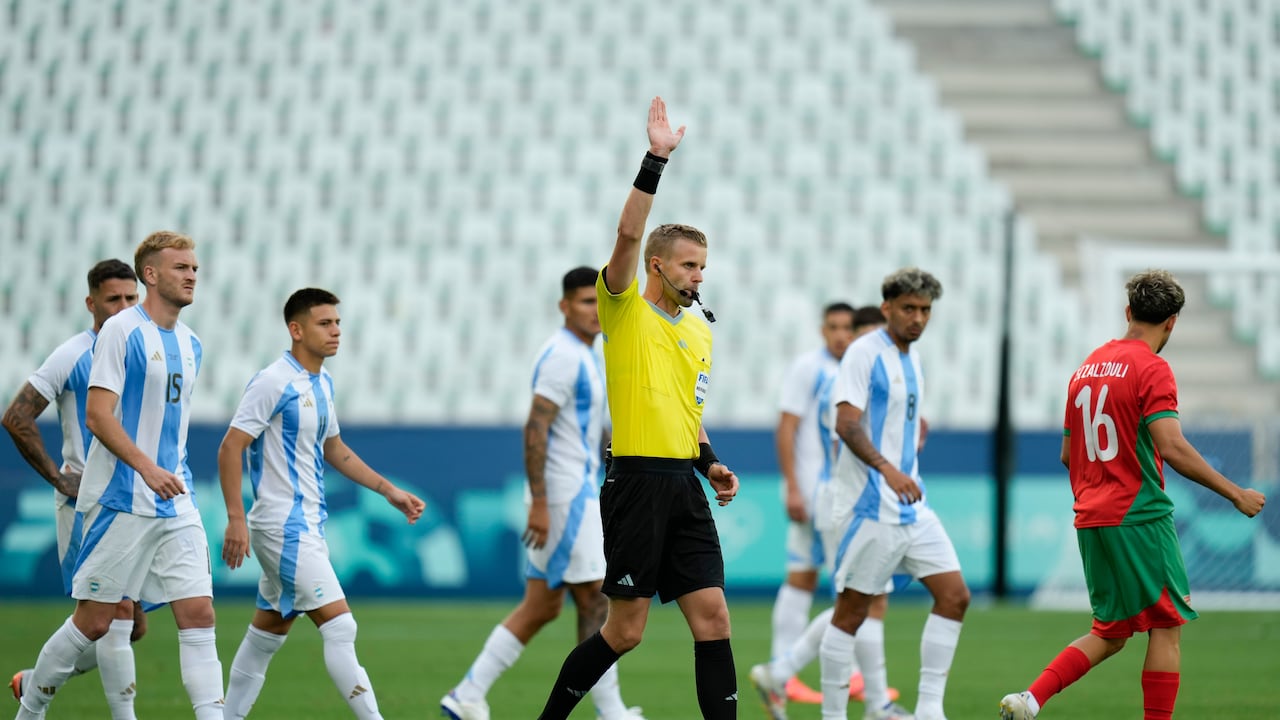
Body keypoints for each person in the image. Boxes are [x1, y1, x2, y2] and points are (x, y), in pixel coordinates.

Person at [534, 96, 740, 720]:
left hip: (683, 482)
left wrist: (711, 465)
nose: (699, 276)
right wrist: (655, 159)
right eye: (688, 264)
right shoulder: (623, 308)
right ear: (658, 264)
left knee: (714, 617)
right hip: (637, 482)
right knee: (625, 631)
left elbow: (687, 411)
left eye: (703, 266)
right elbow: (626, 232)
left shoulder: (701, 330)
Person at [998, 270, 1266, 720]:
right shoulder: (1152, 368)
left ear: (1128, 313)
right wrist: (1235, 494)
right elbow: (1172, 446)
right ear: (1172, 323)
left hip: (1091, 518)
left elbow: (1068, 453)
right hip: (1139, 515)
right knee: (1166, 628)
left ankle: (1030, 699)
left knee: (1112, 631)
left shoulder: (1086, 368)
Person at [12, 231, 224, 720]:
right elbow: (98, 416)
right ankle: (31, 708)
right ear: (151, 274)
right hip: (119, 501)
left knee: (198, 615)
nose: (192, 274)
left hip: (177, 500)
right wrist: (147, 469)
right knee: (96, 622)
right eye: (180, 267)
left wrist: (168, 474)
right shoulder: (120, 331)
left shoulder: (192, 344)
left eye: (194, 267)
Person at [442, 267, 643, 720]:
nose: (594, 310)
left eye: (597, 301)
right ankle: (610, 710)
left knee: (542, 605)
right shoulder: (563, 356)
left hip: (573, 491)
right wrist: (539, 502)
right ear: (564, 306)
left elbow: (588, 427)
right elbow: (536, 425)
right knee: (596, 598)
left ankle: (468, 694)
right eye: (584, 302)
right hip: (566, 497)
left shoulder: (588, 353)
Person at [218, 288, 425, 720]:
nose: (336, 331)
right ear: (296, 330)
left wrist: (389, 491)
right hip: (282, 526)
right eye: (324, 323)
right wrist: (236, 518)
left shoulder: (322, 383)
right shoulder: (273, 381)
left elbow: (335, 450)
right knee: (340, 625)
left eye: (337, 323)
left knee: (268, 634)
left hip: (306, 525)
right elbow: (230, 446)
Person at [820, 268, 968, 720]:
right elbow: (846, 424)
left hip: (911, 506)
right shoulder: (865, 353)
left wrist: (912, 431)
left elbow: (896, 417)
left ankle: (928, 710)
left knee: (955, 596)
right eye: (909, 308)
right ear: (887, 308)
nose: (918, 318)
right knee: (851, 613)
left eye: (925, 310)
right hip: (871, 505)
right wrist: (887, 469)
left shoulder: (912, 358)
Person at [3, 259, 145, 719]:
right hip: (90, 506)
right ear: (91, 303)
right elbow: (16, 416)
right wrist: (59, 478)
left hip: (136, 503)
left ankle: (34, 682)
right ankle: (36, 708)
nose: (124, 307)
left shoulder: (145, 350)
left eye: (131, 298)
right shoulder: (73, 354)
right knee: (115, 615)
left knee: (128, 624)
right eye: (113, 299)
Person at [750, 305, 901, 718]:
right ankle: (869, 699)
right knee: (860, 600)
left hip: (834, 496)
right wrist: (793, 486)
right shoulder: (832, 374)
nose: (844, 337)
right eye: (838, 329)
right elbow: (792, 427)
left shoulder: (850, 373)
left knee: (836, 592)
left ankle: (787, 672)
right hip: (840, 498)